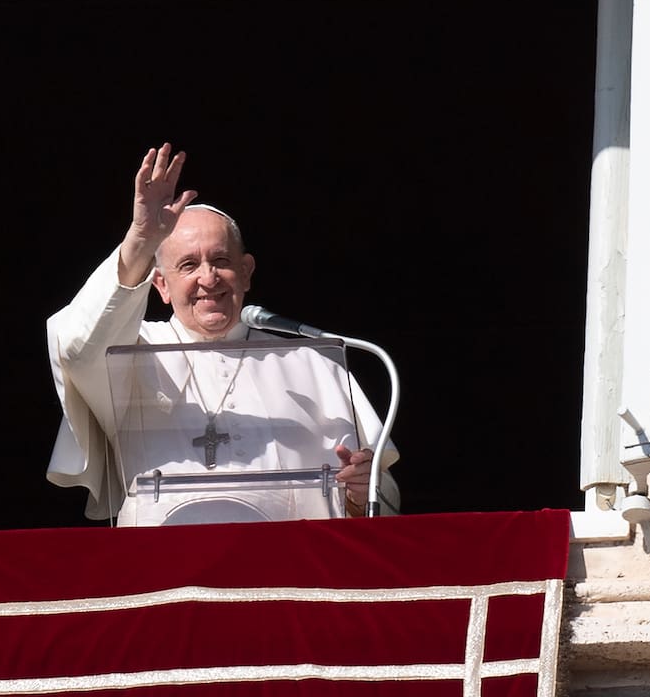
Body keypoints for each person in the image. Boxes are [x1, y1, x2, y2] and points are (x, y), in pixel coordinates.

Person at [45, 142, 399, 524]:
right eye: (188, 265)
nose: (208, 278)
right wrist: (141, 240)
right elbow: (77, 348)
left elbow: (384, 498)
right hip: (161, 560)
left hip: (288, 560)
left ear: (246, 272)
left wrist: (361, 493)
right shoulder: (130, 353)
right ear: (161, 284)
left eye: (221, 260)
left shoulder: (313, 365)